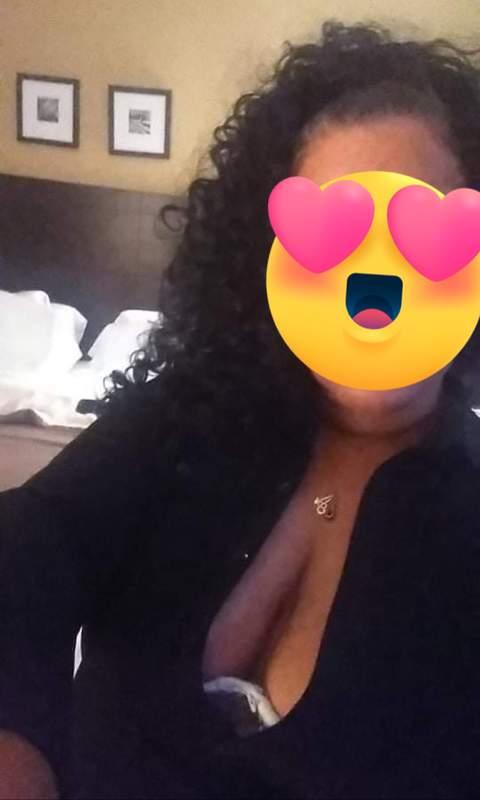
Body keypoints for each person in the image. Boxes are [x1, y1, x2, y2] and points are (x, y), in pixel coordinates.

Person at [1, 17, 480, 800]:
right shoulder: (187, 415)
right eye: (330, 235)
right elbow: (32, 543)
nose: (373, 281)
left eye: (419, 234)